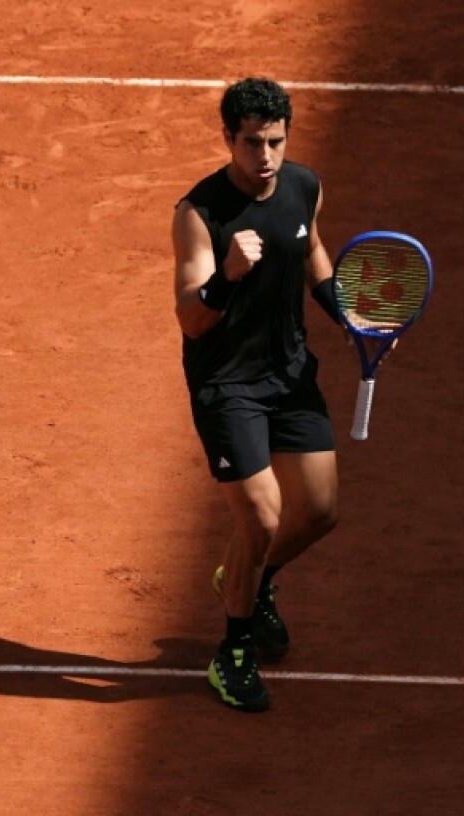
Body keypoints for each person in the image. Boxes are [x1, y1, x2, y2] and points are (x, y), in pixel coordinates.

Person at [171, 77, 347, 712]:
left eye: (275, 141)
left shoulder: (305, 186)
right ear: (228, 139)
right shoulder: (199, 214)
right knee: (263, 515)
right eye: (251, 143)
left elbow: (314, 255)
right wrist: (227, 276)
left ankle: (251, 577)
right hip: (228, 385)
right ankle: (232, 652)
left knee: (321, 511)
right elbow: (191, 317)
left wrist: (347, 314)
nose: (265, 157)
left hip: (290, 374)